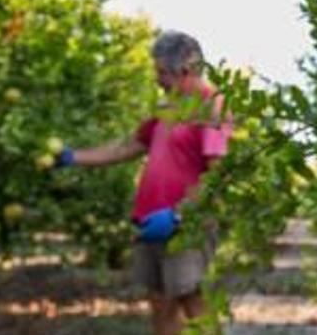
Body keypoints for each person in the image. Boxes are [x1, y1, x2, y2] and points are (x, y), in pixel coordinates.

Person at [52, 31, 231, 335]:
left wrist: (179, 215)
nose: (157, 78)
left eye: (161, 71)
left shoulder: (210, 106)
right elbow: (129, 147)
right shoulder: (167, 106)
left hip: (185, 225)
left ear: (185, 70)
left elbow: (219, 173)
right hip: (151, 221)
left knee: (193, 302)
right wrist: (73, 157)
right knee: (161, 306)